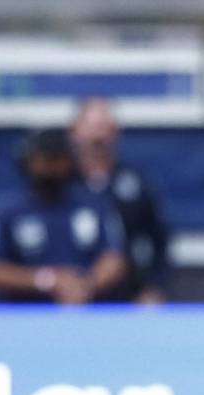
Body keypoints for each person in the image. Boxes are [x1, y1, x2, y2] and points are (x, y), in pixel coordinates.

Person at [0, 128, 127, 304]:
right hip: (25, 314)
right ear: (28, 161)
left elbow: (114, 259)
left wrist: (86, 285)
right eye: (44, 159)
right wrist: (45, 281)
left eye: (57, 159)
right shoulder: (9, 212)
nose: (49, 167)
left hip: (86, 309)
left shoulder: (94, 206)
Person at [70, 97, 171, 304]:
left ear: (116, 132)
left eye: (103, 127)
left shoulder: (135, 184)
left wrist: (154, 288)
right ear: (74, 132)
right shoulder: (60, 185)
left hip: (128, 299)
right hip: (69, 298)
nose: (97, 135)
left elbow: (159, 241)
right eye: (90, 127)